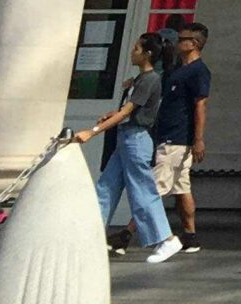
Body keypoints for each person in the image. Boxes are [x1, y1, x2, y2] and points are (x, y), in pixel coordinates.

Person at [73, 32, 177, 263]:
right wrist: (113, 115)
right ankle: (91, 236)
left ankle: (166, 239)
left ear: (147, 54)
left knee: (142, 191)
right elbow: (127, 111)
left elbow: (127, 113)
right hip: (127, 139)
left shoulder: (150, 79)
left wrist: (92, 132)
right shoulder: (141, 79)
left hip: (136, 140)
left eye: (137, 49)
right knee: (106, 187)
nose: (132, 52)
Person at [150, 22, 211, 253]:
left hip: (177, 138)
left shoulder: (199, 71)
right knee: (181, 187)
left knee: (154, 188)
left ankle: (129, 234)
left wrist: (198, 139)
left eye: (181, 39)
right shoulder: (177, 70)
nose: (177, 43)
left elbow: (200, 105)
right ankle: (191, 236)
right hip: (170, 135)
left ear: (193, 43)